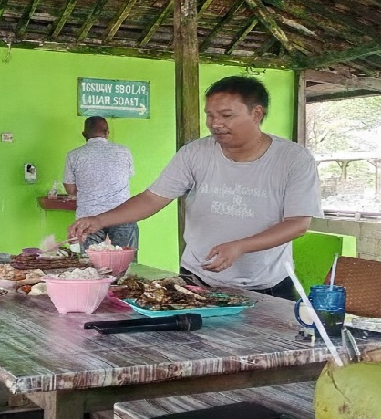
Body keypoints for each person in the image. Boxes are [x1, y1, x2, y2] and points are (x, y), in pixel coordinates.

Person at [70, 76, 321, 301]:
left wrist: (241, 246)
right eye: (209, 115)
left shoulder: (293, 159)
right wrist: (100, 219)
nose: (214, 124)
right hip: (197, 281)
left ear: (256, 114)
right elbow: (152, 198)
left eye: (226, 115)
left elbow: (298, 224)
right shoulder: (195, 153)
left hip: (268, 286)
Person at [63, 116, 138, 249]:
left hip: (89, 216)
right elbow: (128, 176)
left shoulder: (74, 155)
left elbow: (70, 190)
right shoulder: (124, 152)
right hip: (122, 214)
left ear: (84, 134)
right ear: (107, 133)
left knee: (92, 264)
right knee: (126, 262)